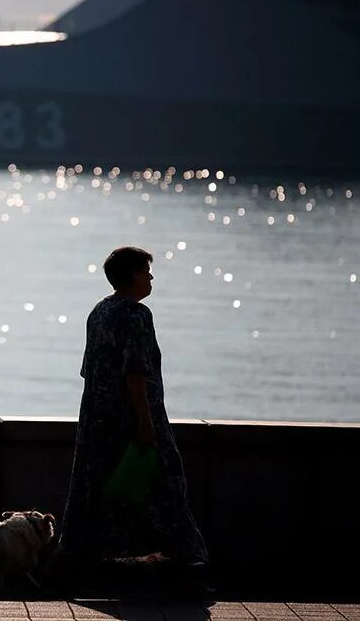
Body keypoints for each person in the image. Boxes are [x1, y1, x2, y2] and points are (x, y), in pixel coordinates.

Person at [54, 246, 210, 593]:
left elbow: (90, 370)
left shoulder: (99, 312)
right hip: (132, 417)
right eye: (145, 271)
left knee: (97, 491)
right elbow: (135, 371)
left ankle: (83, 564)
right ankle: (186, 568)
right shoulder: (137, 315)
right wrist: (145, 421)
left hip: (98, 420)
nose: (151, 277)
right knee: (166, 486)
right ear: (132, 275)